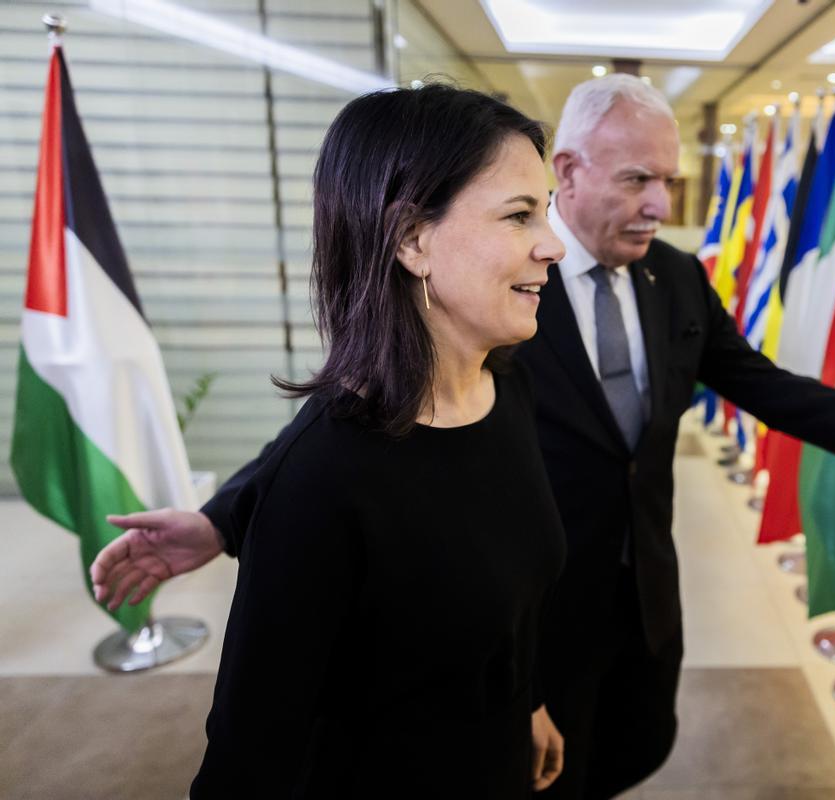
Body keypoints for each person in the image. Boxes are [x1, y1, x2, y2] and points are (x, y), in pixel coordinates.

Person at [93, 76, 835, 799]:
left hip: (592, 614)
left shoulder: (655, 289)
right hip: (505, 637)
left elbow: (755, 380)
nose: (660, 203)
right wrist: (226, 519)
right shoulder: (490, 321)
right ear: (572, 176)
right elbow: (345, 440)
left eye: (668, 181)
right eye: (636, 179)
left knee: (608, 762)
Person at [101, 84, 572, 797]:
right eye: (519, 215)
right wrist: (240, 518)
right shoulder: (319, 484)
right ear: (412, 239)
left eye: (545, 211)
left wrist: (525, 703)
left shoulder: (507, 391)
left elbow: (509, 601)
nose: (554, 244)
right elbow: (246, 760)